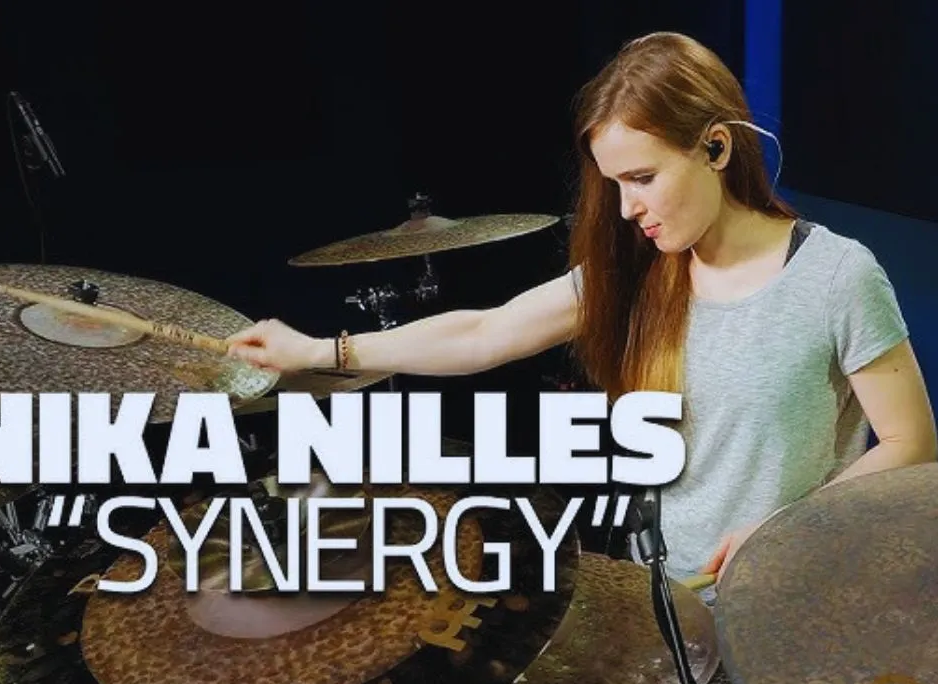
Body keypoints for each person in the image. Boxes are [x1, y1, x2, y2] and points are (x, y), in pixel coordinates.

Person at [225, 32, 937, 590]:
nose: (627, 209)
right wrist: (317, 352)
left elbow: (911, 444)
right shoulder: (638, 275)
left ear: (716, 147)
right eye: (615, 184)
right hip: (668, 590)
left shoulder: (836, 275)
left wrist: (782, 531)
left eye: (643, 178)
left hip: (792, 589)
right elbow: (484, 332)